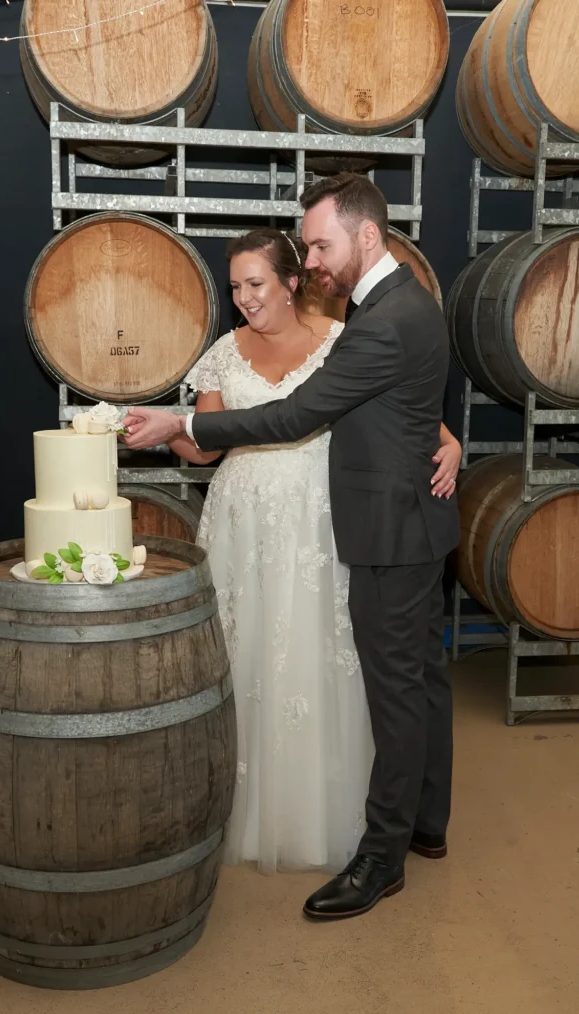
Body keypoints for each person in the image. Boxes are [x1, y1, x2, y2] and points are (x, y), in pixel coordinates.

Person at [125, 201, 461, 907]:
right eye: (305, 249)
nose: (311, 263)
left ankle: (383, 856)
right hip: (391, 521)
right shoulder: (405, 304)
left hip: (379, 528)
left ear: (366, 235)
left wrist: (180, 419)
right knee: (421, 682)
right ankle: (426, 824)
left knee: (395, 693)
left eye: (317, 247)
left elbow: (297, 416)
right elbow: (399, 404)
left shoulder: (377, 322)